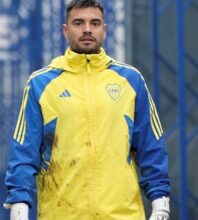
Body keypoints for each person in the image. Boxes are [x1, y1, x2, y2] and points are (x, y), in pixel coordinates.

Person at [3, 0, 170, 219]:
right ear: (65, 30)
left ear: (105, 29)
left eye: (95, 23)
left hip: (122, 215)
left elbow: (151, 146)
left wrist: (160, 203)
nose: (87, 29)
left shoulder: (131, 81)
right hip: (61, 214)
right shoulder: (40, 84)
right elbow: (24, 151)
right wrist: (19, 205)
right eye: (78, 23)